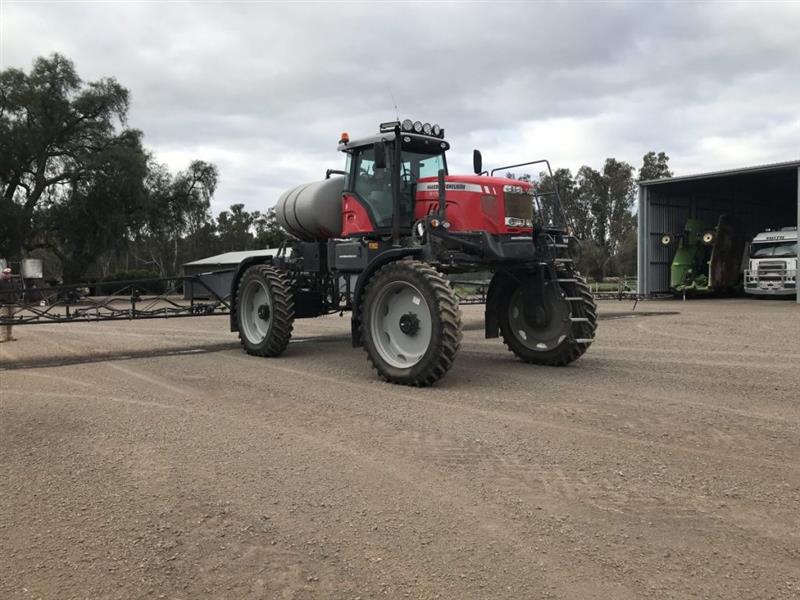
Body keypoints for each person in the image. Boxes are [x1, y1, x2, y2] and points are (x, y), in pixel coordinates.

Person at [0, 267, 19, 342]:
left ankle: (9, 335)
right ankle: (3, 336)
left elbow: (18, 291)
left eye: (8, 273)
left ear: (10, 274)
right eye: (5, 273)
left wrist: (16, 297)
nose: (6, 275)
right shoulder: (0, 282)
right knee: (4, 319)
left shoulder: (15, 282)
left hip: (12, 303)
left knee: (11, 319)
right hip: (3, 303)